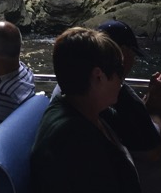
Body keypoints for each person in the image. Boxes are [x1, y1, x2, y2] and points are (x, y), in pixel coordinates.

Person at [30, 27, 141, 193]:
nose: (121, 80)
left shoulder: (89, 110)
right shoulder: (73, 140)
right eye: (119, 70)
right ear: (98, 77)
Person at [97, 20, 161, 193]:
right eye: (132, 54)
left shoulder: (75, 85)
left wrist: (145, 103)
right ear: (122, 54)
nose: (133, 61)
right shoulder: (111, 94)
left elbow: (130, 123)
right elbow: (154, 150)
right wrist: (158, 108)